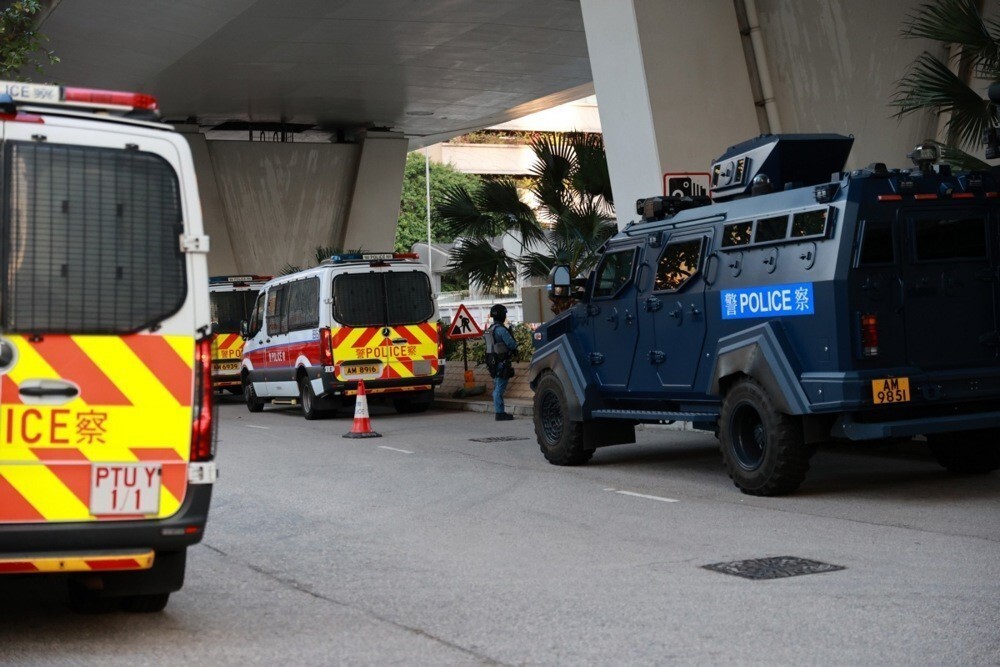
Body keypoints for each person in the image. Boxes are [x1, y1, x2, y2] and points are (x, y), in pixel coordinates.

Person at [485, 303, 518, 421]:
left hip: (492, 362)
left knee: (496, 386)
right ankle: (500, 413)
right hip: (502, 362)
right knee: (499, 388)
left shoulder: (490, 329)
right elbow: (511, 344)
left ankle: (500, 411)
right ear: (502, 315)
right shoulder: (501, 330)